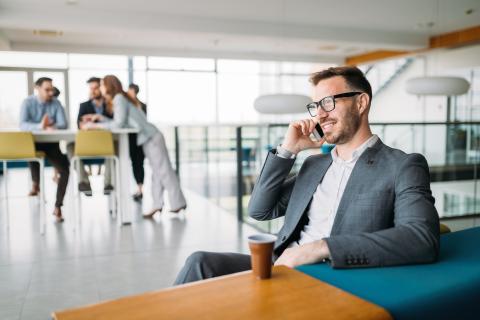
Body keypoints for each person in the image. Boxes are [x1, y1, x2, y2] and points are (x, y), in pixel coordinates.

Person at [174, 66, 440, 285]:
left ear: (361, 102)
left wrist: (319, 248)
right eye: (315, 105)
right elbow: (259, 210)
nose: (320, 114)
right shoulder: (315, 165)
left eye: (329, 102)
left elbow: (421, 238)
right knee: (200, 262)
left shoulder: (402, 165)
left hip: (332, 274)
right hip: (281, 266)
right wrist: (289, 150)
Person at [80, 75, 187, 217]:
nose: (101, 88)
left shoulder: (118, 99)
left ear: (109, 85)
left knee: (164, 171)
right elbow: (122, 121)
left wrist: (94, 126)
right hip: (149, 138)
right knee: (157, 172)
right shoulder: (121, 98)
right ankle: (158, 205)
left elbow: (118, 124)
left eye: (102, 85)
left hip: (151, 137)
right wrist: (100, 118)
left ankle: (178, 203)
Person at [19, 77, 70, 222]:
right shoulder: (27, 103)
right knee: (30, 151)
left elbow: (63, 124)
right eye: (47, 90)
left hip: (51, 144)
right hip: (33, 143)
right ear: (37, 89)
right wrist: (40, 126)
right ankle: (36, 183)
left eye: (51, 89)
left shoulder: (56, 103)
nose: (50, 93)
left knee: (65, 170)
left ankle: (58, 206)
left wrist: (52, 127)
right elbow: (22, 125)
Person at [69, 77, 114, 196]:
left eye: (96, 88)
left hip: (106, 145)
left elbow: (116, 123)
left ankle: (108, 183)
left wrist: (97, 120)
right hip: (88, 146)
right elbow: (79, 125)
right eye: (91, 88)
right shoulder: (84, 106)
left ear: (102, 88)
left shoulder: (110, 104)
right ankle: (84, 181)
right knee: (70, 147)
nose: (93, 91)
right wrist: (85, 123)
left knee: (115, 147)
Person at [127, 83, 147, 202]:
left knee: (138, 164)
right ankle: (130, 190)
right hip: (129, 138)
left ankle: (140, 189)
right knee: (129, 163)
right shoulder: (126, 105)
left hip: (139, 139)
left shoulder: (142, 106)